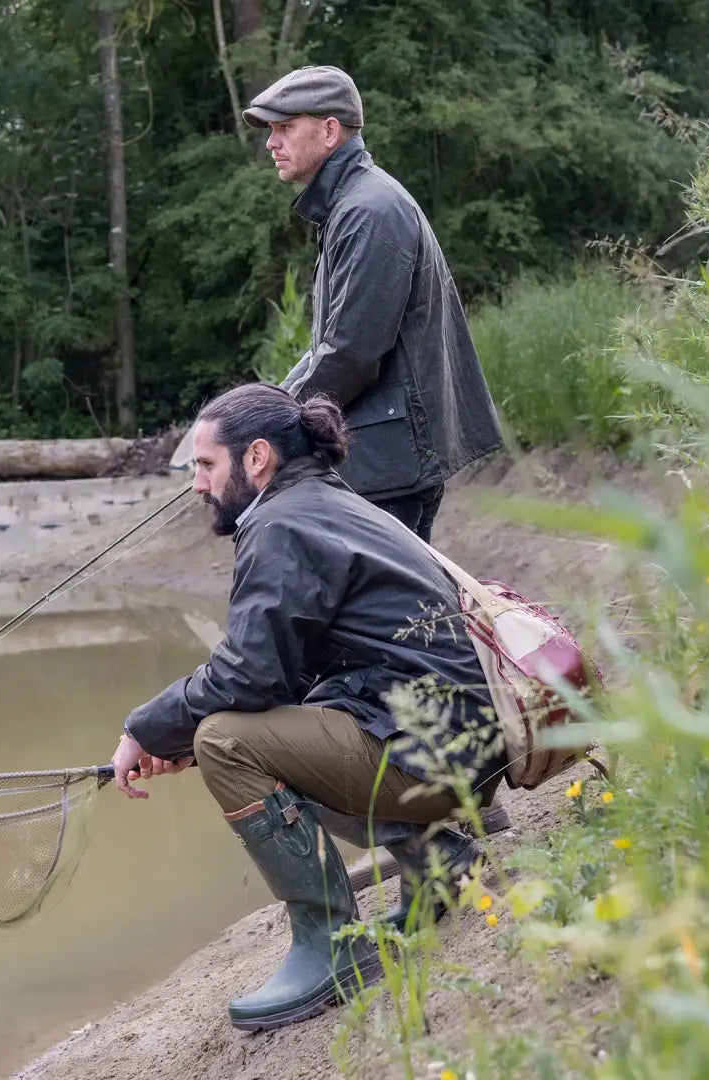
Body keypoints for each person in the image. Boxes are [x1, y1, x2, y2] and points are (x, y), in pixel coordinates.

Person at [109, 383, 507, 1032]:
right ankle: (438, 865)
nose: (197, 485)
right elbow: (280, 679)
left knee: (224, 742)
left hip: (435, 755)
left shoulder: (281, 523)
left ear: (256, 457)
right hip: (464, 749)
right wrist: (175, 740)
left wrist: (143, 727)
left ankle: (332, 947)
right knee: (220, 735)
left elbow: (244, 677)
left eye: (206, 466)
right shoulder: (323, 500)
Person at [244, 62, 513, 833]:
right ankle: (461, 807)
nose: (271, 143)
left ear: (329, 131)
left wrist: (261, 423)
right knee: (398, 642)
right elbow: (337, 348)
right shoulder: (350, 207)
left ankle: (450, 812)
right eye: (268, 130)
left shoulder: (369, 209)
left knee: (387, 646)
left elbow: (351, 354)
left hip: (391, 459)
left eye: (283, 129)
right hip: (383, 453)